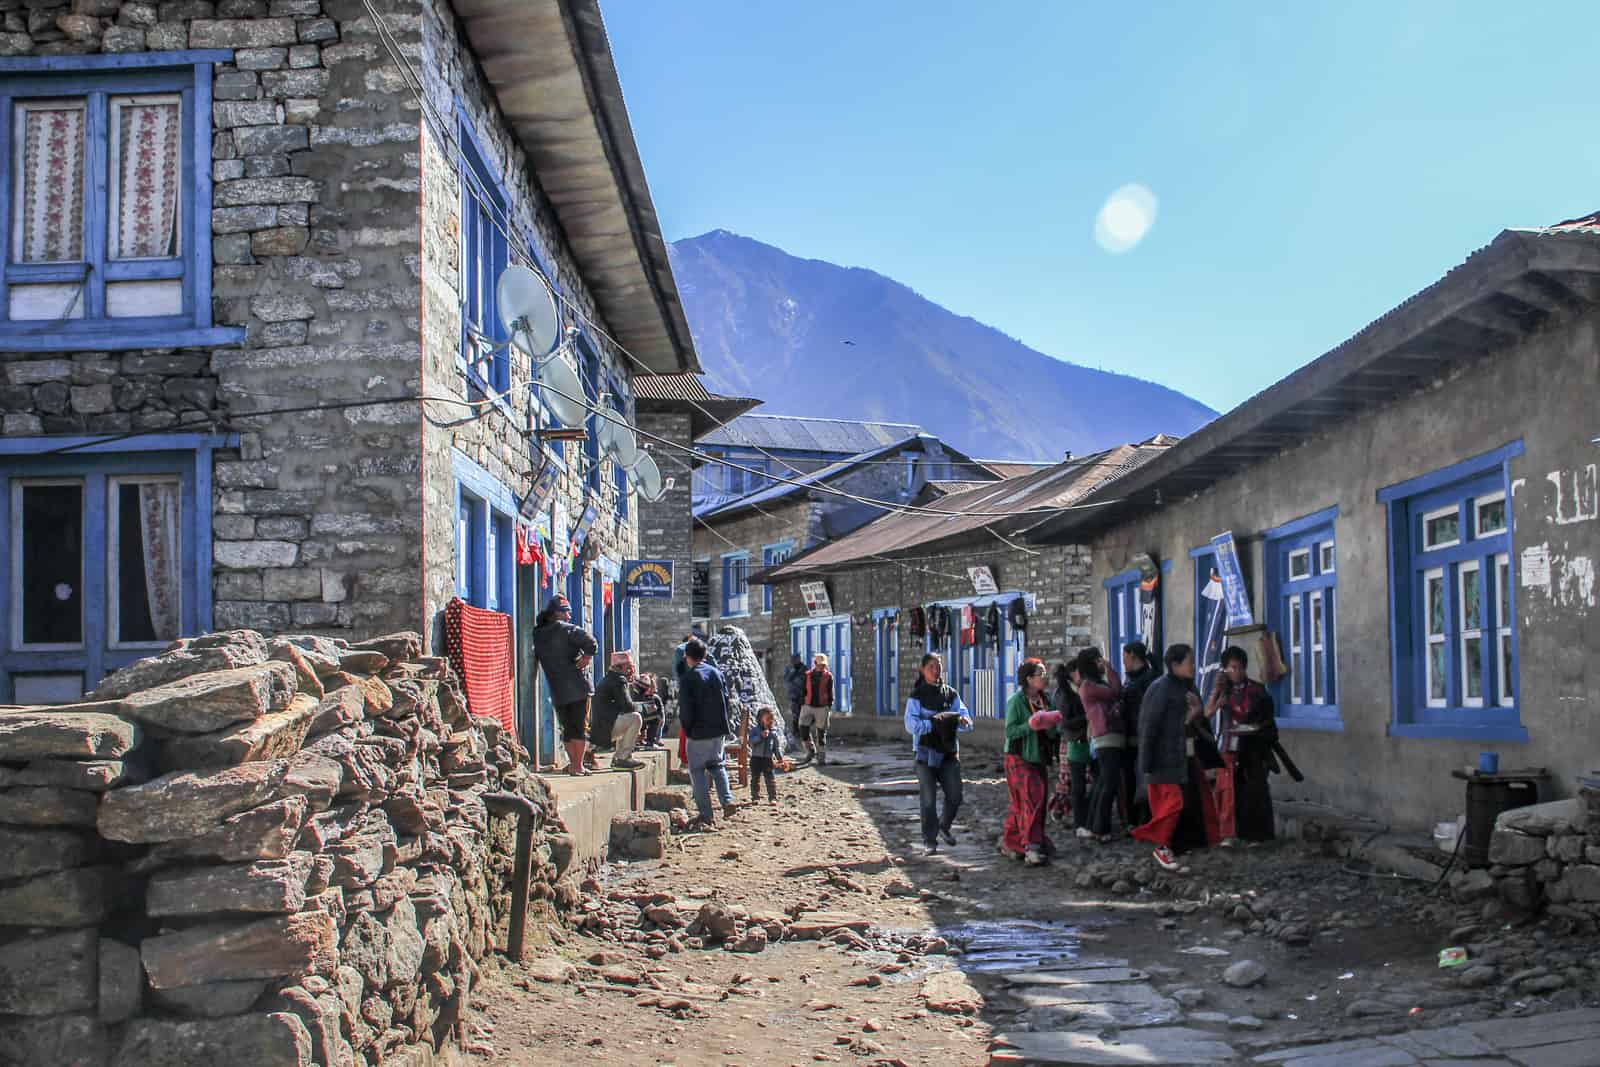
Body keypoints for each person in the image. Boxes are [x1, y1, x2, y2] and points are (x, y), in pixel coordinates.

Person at [1133, 643, 1210, 871]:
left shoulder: (1186, 688)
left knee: (1181, 804)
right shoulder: (1161, 688)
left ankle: (1170, 847)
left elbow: (1190, 721)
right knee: (1171, 804)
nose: (1193, 666)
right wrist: (1145, 762)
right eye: (1189, 662)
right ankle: (1159, 845)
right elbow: (1149, 725)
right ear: (1175, 664)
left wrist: (1197, 713)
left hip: (1182, 757)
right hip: (1161, 759)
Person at [903, 652, 973, 856]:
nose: (936, 670)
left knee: (955, 795)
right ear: (922, 670)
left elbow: (966, 720)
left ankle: (944, 825)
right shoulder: (917, 697)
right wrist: (934, 723)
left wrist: (961, 722)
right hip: (925, 755)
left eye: (938, 666)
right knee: (928, 800)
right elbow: (911, 725)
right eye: (931, 667)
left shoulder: (950, 694)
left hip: (948, 753)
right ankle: (930, 840)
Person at [1207, 645, 1278, 843]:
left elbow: (1268, 720)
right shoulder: (1223, 692)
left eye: (1239, 667)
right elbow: (1207, 714)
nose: (1236, 672)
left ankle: (1258, 835)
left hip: (1254, 748)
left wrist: (1257, 729)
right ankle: (1228, 833)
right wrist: (1217, 695)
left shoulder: (1257, 690)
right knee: (1228, 791)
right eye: (1232, 668)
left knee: (1255, 790)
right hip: (1229, 746)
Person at [1002, 658, 1061, 867]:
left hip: (1039, 757)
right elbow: (1010, 731)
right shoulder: (1016, 702)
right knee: (1031, 799)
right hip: (1019, 758)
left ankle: (1012, 841)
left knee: (1029, 801)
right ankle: (1032, 847)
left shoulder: (1046, 700)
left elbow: (1053, 730)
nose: (1044, 678)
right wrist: (1030, 725)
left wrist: (1052, 724)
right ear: (1028, 679)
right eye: (1040, 674)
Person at [533, 594, 598, 776]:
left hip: (557, 687)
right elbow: (592, 642)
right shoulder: (568, 629)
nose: (569, 616)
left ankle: (573, 764)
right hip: (579, 686)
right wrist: (586, 657)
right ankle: (578, 766)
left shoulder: (538, 633)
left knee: (567, 728)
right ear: (557, 614)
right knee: (579, 727)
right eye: (566, 612)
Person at [678, 637, 738, 828]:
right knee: (717, 765)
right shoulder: (716, 673)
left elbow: (686, 709)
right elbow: (727, 700)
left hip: (698, 732)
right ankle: (727, 800)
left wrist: (687, 729)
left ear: (687, 657)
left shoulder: (688, 678)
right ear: (704, 655)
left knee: (697, 772)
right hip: (718, 729)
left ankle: (706, 814)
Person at [1079, 648, 1127, 842]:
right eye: (1098, 660)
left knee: (1102, 784)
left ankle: (1093, 825)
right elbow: (1116, 691)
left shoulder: (1094, 684)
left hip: (1109, 737)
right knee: (1108, 784)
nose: (1101, 662)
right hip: (1106, 737)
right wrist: (1110, 669)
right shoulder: (1089, 686)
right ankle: (1100, 828)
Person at [1047, 660, 1093, 837]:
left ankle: (1064, 812)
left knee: (1068, 780)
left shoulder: (1062, 692)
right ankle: (1072, 816)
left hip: (1068, 740)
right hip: (1073, 741)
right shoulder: (1069, 694)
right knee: (1074, 781)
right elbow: (1065, 721)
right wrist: (1087, 718)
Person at [1120, 641, 1160, 824]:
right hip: (1130, 736)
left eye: (1125, 657)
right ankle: (1134, 820)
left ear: (1133, 656)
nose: (1123, 662)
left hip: (1143, 736)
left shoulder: (1149, 678)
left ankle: (1145, 818)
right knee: (1130, 780)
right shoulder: (1131, 679)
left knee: (1145, 780)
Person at [589, 652, 645, 770]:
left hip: (601, 728)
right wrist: (645, 708)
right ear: (619, 668)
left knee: (631, 718)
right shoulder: (619, 680)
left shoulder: (609, 679)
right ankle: (622, 758)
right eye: (628, 667)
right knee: (636, 718)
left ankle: (620, 758)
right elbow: (627, 706)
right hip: (605, 729)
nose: (631, 670)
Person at [799, 652, 835, 766]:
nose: (822, 667)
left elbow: (830, 692)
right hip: (808, 705)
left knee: (821, 733)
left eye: (824, 665)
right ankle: (810, 751)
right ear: (815, 663)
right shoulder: (807, 675)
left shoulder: (828, 676)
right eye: (820, 665)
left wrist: (829, 706)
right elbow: (803, 690)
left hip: (822, 707)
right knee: (803, 728)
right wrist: (802, 703)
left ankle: (821, 758)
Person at [747, 706, 784, 804]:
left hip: (768, 759)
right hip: (756, 758)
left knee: (770, 779)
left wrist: (780, 758)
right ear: (760, 719)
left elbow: (776, 747)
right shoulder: (755, 730)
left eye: (771, 718)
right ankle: (755, 797)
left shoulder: (774, 733)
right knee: (755, 778)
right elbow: (750, 742)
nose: (769, 721)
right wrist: (760, 736)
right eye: (767, 718)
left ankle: (773, 797)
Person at [631, 672, 666, 749]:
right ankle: (650, 742)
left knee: (652, 718)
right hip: (636, 720)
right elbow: (657, 716)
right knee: (655, 718)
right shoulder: (649, 698)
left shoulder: (631, 692)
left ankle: (639, 741)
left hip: (633, 719)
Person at [783, 654, 808, 728]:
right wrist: (793, 672)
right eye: (794, 659)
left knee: (802, 714)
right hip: (793, 695)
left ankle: (801, 729)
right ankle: (796, 729)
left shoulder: (804, 668)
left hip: (802, 694)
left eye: (797, 659)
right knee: (795, 714)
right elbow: (787, 679)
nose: (795, 661)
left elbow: (806, 680)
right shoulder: (789, 668)